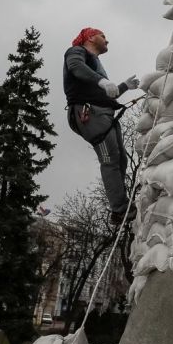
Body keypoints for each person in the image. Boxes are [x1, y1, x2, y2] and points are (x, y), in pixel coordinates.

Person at [64, 27, 140, 223]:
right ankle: (120, 209)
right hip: (89, 113)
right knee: (110, 160)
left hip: (104, 113)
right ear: (90, 37)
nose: (107, 40)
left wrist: (123, 86)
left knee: (121, 159)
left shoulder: (96, 63)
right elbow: (76, 67)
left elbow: (106, 92)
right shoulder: (77, 52)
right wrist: (102, 81)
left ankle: (120, 203)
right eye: (103, 36)